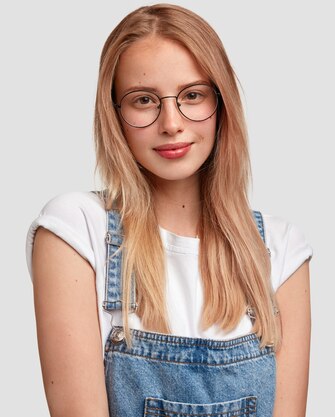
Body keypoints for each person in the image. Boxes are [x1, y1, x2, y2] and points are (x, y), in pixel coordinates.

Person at [24, 4, 313, 417]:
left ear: (221, 104)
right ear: (115, 116)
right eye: (144, 100)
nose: (172, 123)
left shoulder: (280, 250)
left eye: (192, 95)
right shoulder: (75, 230)